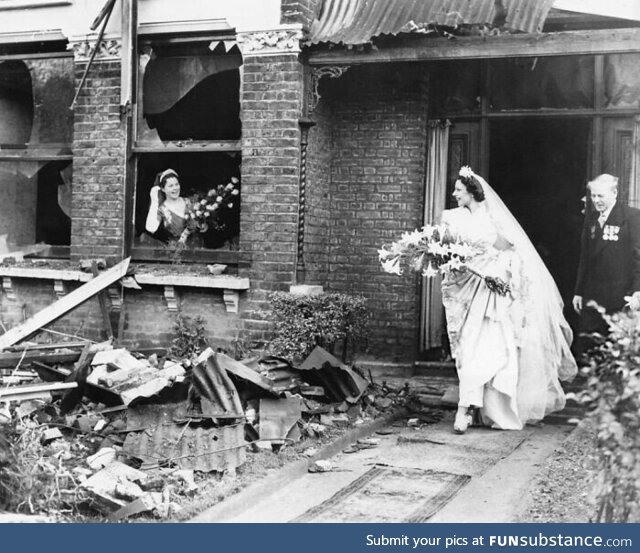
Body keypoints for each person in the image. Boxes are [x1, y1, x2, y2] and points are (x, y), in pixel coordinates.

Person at [441, 166, 577, 434]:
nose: (454, 194)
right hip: (467, 290)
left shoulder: (494, 220)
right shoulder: (452, 218)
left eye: (459, 190)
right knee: (469, 349)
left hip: (492, 296)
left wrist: (498, 277)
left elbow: (513, 254)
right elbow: (448, 254)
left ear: (471, 192)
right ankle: (469, 408)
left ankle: (481, 410)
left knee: (493, 350)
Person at [572, 174, 640, 345]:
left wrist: (637, 291)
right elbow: (585, 258)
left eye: (600, 196)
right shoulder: (592, 219)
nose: (596, 200)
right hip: (593, 295)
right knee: (589, 344)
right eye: (593, 196)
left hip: (619, 296)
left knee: (615, 345)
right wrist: (579, 291)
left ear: (614, 193)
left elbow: (638, 257)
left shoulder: (631, 217)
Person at [145, 169, 191, 244]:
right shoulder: (163, 209)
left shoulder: (188, 202)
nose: (175, 188)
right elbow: (151, 228)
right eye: (170, 186)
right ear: (163, 189)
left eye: (177, 184)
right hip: (174, 249)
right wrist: (154, 200)